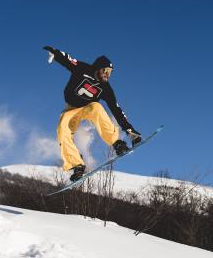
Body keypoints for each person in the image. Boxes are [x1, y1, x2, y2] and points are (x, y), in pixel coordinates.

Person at [43, 46, 142, 182]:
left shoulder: (106, 89)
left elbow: (116, 110)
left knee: (97, 107)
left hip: (88, 108)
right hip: (71, 109)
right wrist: (56, 53)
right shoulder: (83, 69)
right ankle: (76, 165)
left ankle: (117, 143)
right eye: (105, 71)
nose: (107, 75)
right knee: (62, 129)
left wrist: (130, 131)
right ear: (98, 68)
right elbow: (69, 60)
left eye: (110, 72)